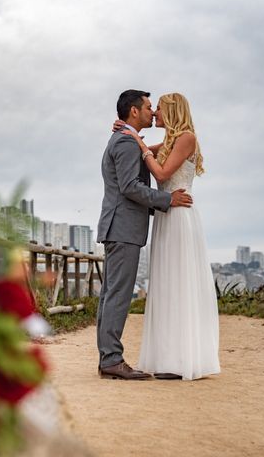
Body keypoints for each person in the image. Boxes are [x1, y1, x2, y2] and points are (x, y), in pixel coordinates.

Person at [120, 92, 221, 380]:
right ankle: (169, 357)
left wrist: (139, 143)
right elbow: (141, 154)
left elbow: (162, 174)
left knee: (179, 282)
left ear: (173, 111)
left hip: (179, 216)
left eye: (160, 110)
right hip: (166, 216)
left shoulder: (186, 137)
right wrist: (130, 136)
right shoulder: (170, 141)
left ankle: (182, 360)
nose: (155, 115)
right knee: (166, 284)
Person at [96, 89, 193, 380]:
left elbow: (153, 155)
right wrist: (167, 200)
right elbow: (129, 187)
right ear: (134, 111)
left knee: (111, 295)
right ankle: (112, 359)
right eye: (149, 107)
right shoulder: (126, 142)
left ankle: (108, 358)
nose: (153, 112)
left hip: (119, 227)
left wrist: (131, 134)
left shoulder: (126, 139)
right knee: (117, 296)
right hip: (124, 227)